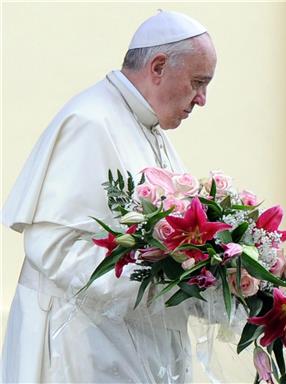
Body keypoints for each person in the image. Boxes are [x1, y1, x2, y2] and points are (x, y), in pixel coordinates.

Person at [0, 10, 222, 383]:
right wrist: (160, 284)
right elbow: (54, 246)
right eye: (198, 82)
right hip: (78, 345)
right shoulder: (90, 121)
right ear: (158, 66)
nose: (201, 99)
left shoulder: (150, 129)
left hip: (129, 341)